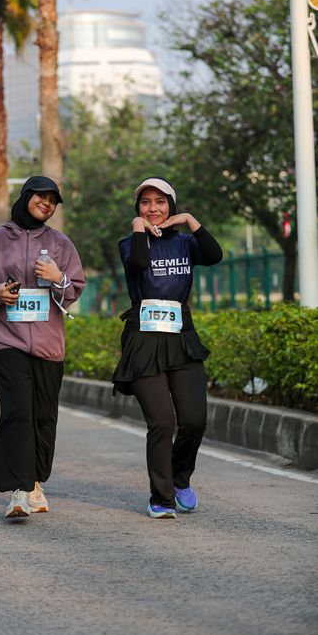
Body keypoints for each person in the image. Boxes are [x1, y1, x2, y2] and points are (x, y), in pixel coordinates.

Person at [0, 176, 85, 519]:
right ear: (26, 196)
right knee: (17, 410)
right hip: (7, 340)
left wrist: (58, 277)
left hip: (48, 345)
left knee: (43, 417)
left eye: (53, 200)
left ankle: (34, 482)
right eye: (40, 197)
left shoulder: (60, 243)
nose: (46, 204)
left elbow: (74, 289)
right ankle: (18, 491)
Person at [112, 177, 223, 519]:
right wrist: (138, 227)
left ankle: (179, 479)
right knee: (161, 421)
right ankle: (161, 498)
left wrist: (189, 220)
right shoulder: (130, 242)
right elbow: (140, 263)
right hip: (143, 339)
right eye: (145, 202)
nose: (153, 208)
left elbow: (214, 255)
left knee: (194, 419)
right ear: (138, 208)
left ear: (171, 205)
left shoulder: (186, 243)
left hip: (181, 336)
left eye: (160, 201)